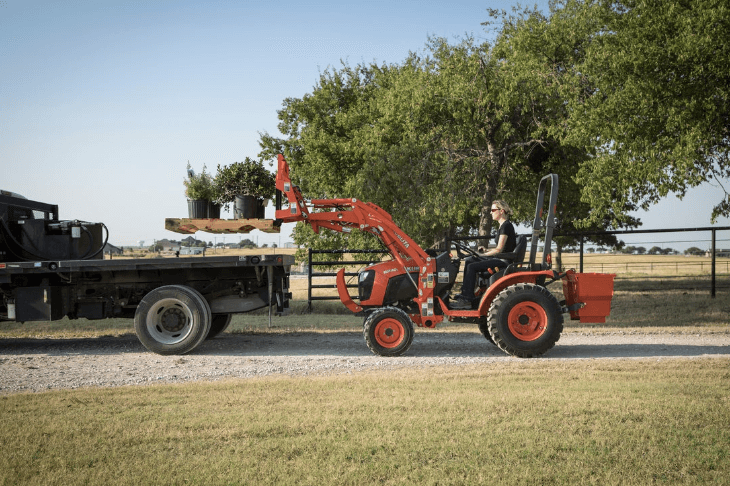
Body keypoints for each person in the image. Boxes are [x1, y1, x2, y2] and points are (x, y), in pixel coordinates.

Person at [452, 200, 516, 309]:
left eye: (493, 210)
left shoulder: (506, 226)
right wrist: (486, 251)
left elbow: (499, 249)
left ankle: (467, 300)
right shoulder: (502, 226)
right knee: (469, 260)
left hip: (503, 261)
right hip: (500, 258)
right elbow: (501, 248)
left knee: (472, 266)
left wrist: (483, 255)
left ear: (501, 211)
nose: (491, 212)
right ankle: (466, 295)